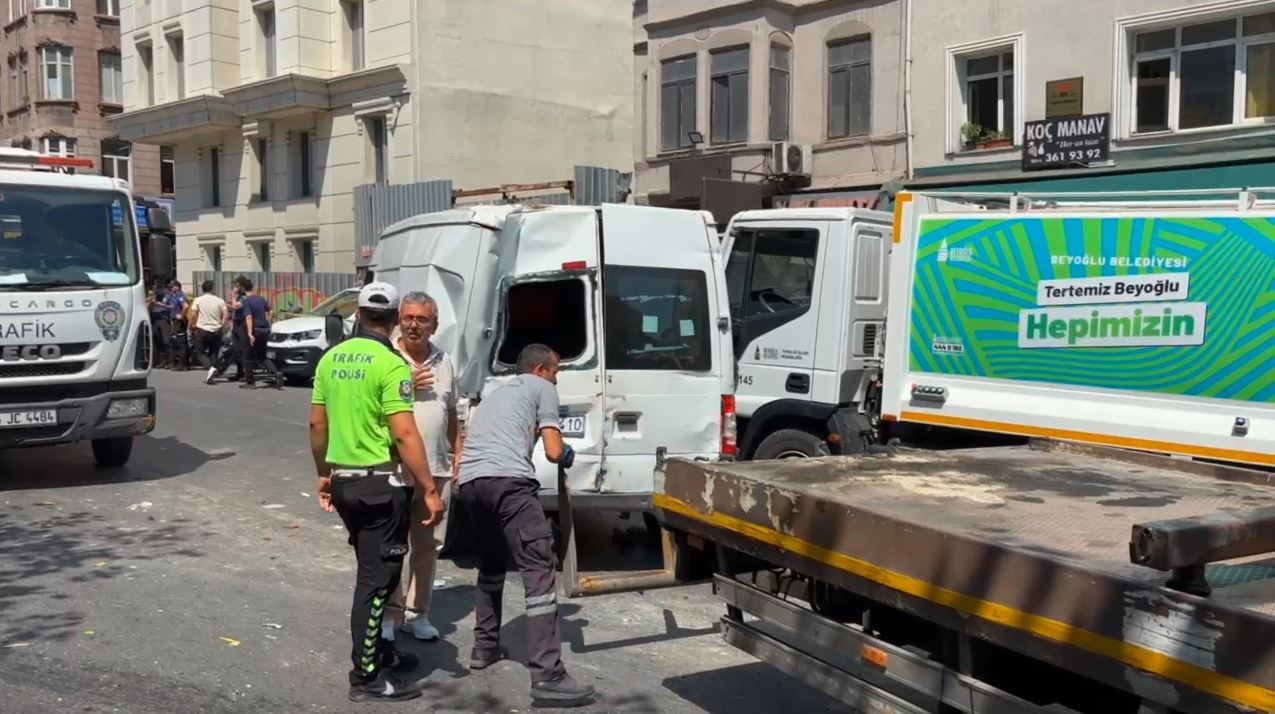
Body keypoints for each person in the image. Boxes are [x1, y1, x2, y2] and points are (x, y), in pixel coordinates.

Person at [309, 282, 445, 703]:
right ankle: (365, 676)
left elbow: (317, 426)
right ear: (392, 321)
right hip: (380, 485)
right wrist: (428, 487)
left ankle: (382, 651)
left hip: (347, 483)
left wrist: (324, 475)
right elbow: (404, 433)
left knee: (377, 574)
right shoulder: (389, 363)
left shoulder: (330, 359)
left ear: (358, 313)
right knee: (374, 580)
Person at [456, 344, 594, 706]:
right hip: (509, 484)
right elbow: (552, 449)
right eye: (555, 372)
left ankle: (483, 648)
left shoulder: (494, 394)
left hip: (471, 484)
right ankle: (549, 676)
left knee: (491, 564)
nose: (557, 379)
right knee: (539, 569)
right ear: (540, 371)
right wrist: (565, 452)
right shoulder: (543, 389)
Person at [384, 292, 463, 643]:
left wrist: (457, 454)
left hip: (437, 469)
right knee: (389, 547)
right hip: (392, 470)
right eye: (409, 317)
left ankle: (418, 613)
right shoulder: (385, 356)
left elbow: (452, 414)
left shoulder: (444, 360)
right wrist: (405, 386)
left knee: (428, 545)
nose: (414, 324)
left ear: (434, 325)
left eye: (422, 319)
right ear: (399, 318)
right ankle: (389, 615)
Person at [239, 278, 283, 389]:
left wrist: (249, 334)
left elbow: (248, 317)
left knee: (248, 357)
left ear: (243, 288)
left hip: (254, 331)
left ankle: (250, 382)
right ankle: (276, 373)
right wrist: (270, 323)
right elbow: (271, 312)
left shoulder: (246, 301)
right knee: (262, 357)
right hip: (264, 331)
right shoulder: (261, 299)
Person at [190, 280, 227, 383]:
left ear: (202, 289)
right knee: (213, 352)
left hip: (203, 329)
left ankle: (210, 368)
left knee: (199, 351)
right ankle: (212, 374)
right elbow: (225, 313)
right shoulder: (219, 300)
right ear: (212, 289)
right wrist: (221, 325)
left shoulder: (198, 300)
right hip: (217, 330)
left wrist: (191, 326)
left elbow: (193, 315)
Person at [147, 281, 173, 368]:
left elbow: (170, 306)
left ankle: (171, 361)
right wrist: (151, 302)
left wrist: (160, 303)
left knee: (166, 340)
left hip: (163, 318)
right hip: (154, 319)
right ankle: (162, 361)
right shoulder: (151, 298)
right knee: (158, 341)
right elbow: (149, 309)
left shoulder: (167, 295)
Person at [165, 281, 190, 370]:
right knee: (174, 341)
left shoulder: (180, 296)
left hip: (180, 321)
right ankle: (178, 363)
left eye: (172, 286)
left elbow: (186, 306)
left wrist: (181, 315)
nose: (171, 288)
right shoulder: (173, 296)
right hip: (174, 321)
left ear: (178, 287)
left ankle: (182, 364)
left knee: (181, 342)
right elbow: (170, 305)